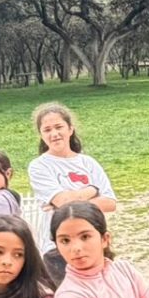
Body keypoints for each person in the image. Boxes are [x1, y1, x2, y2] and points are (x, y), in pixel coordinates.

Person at [28, 102, 118, 283]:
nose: (54, 134)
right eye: (47, 130)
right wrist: (92, 190)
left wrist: (70, 203)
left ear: (70, 129)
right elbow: (63, 202)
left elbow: (110, 203)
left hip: (93, 242)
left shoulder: (88, 163)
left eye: (59, 127)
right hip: (59, 247)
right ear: (41, 135)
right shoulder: (39, 166)